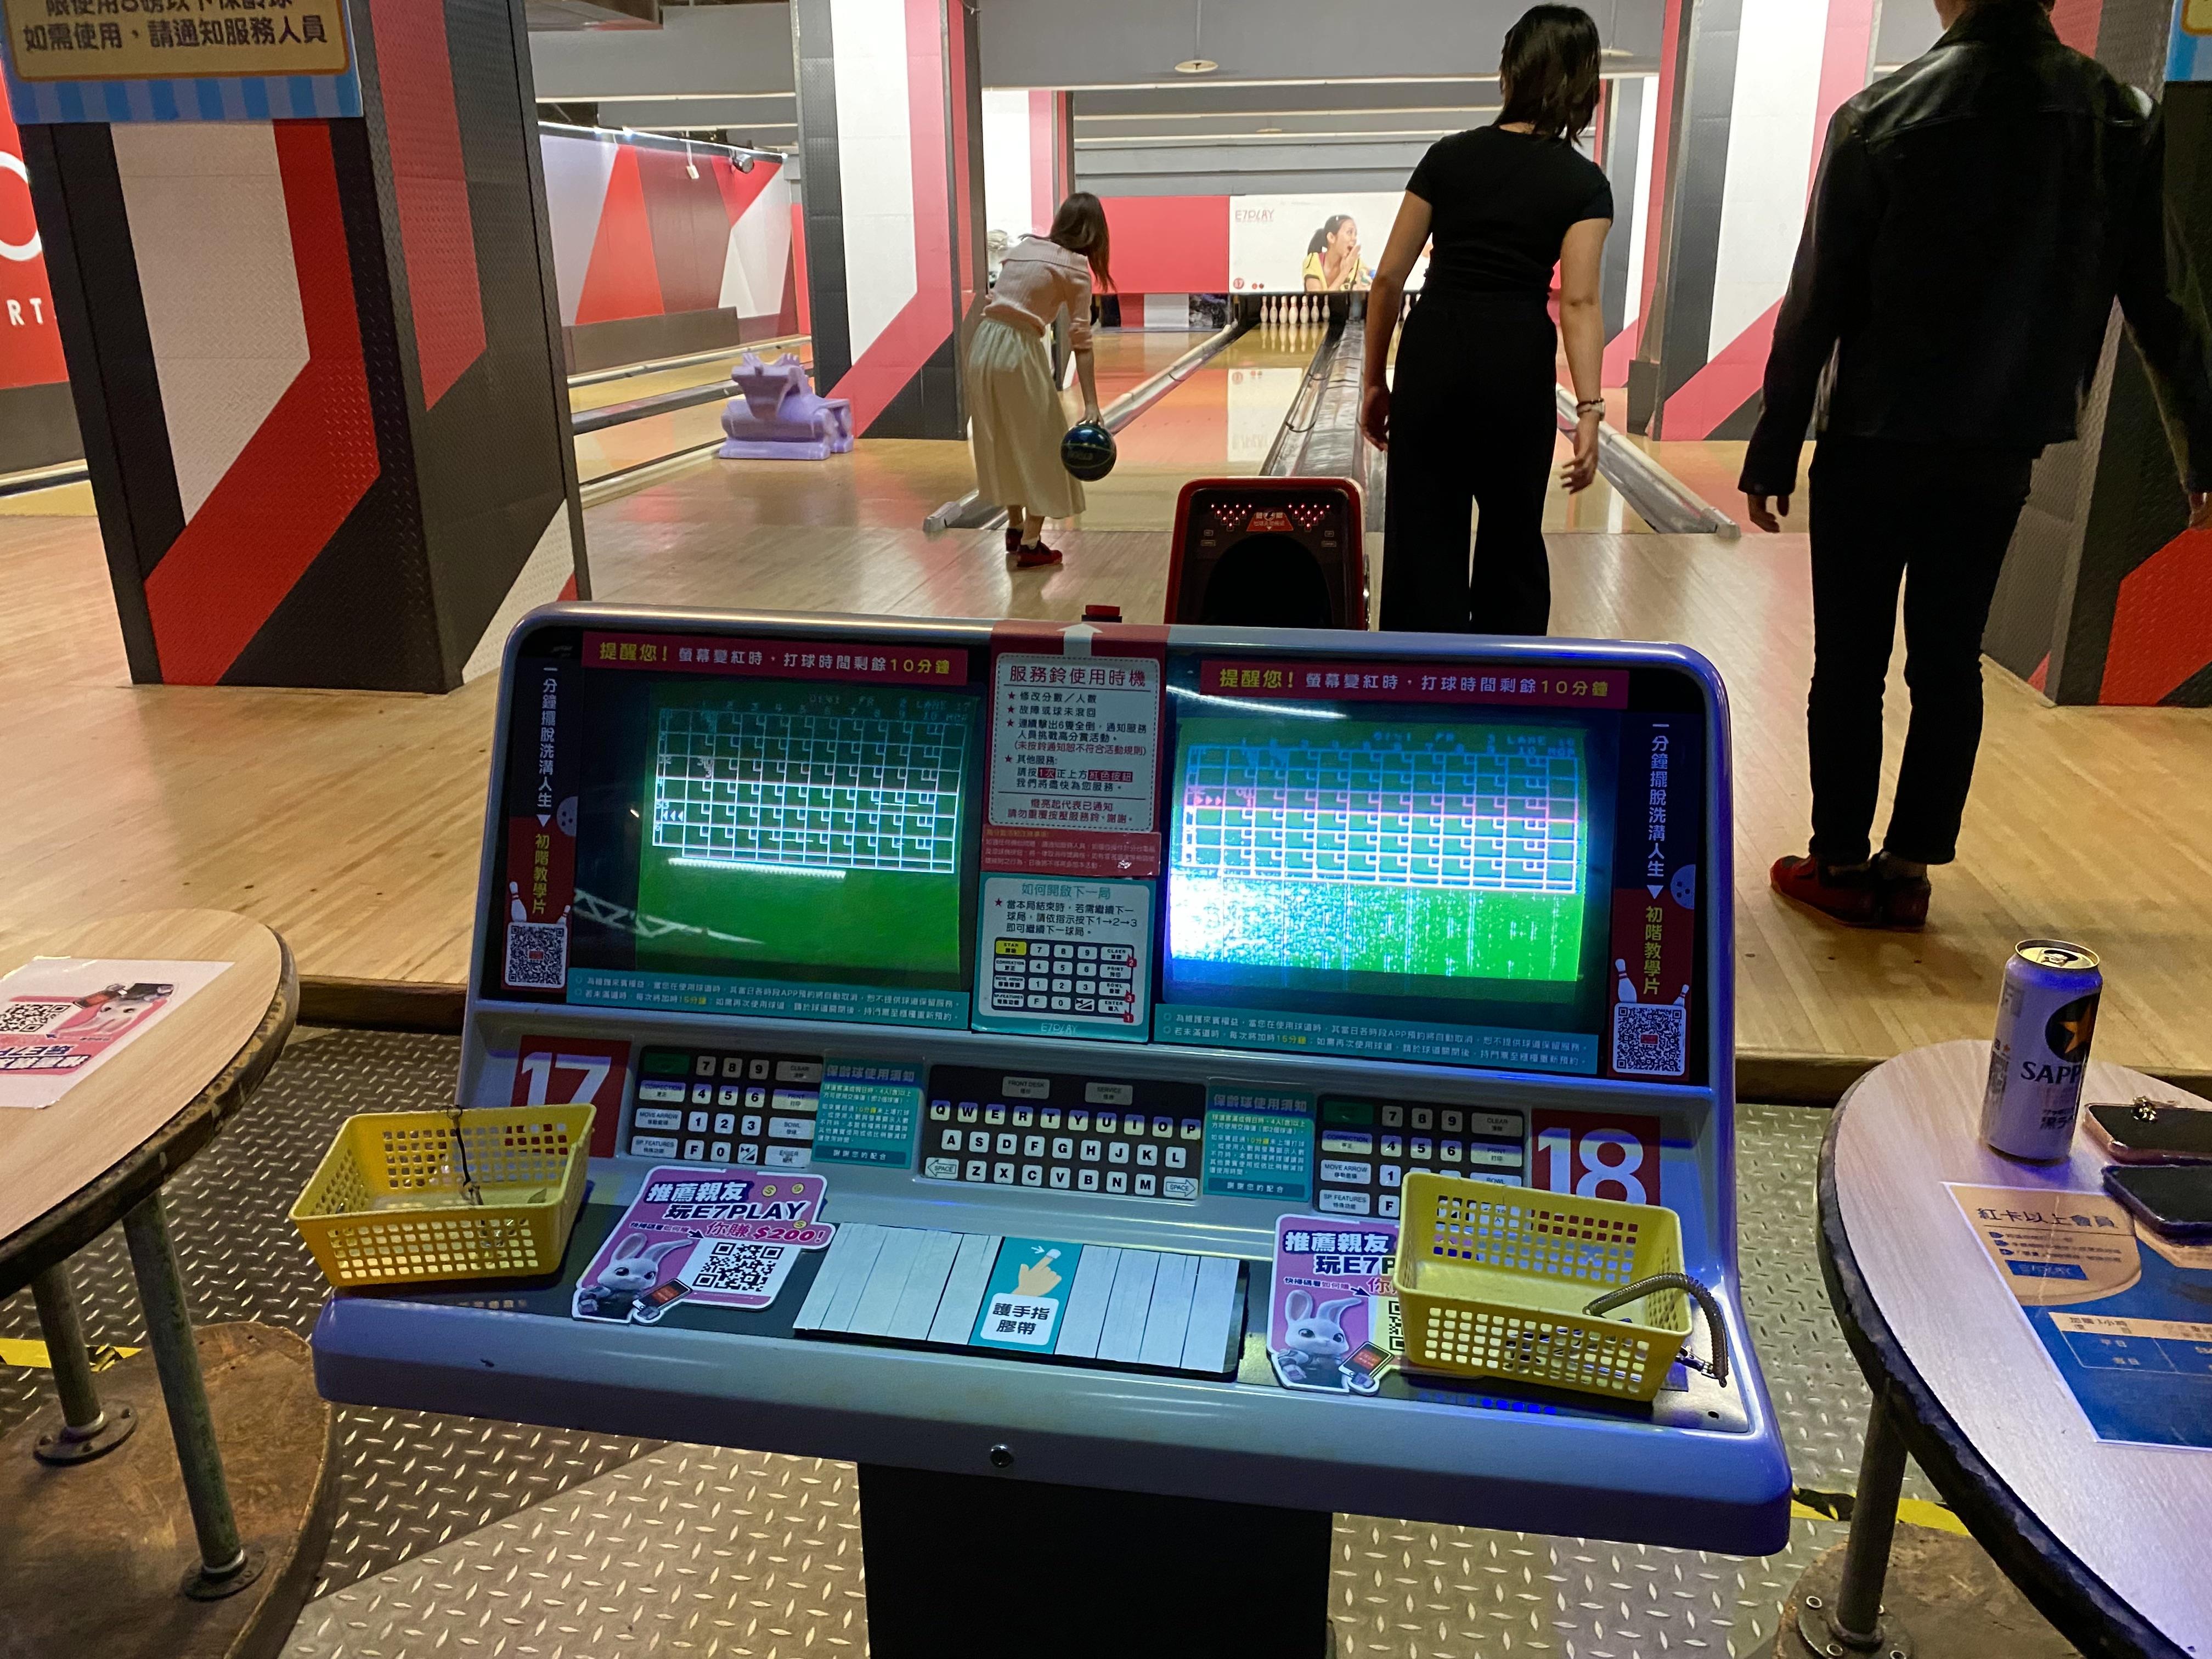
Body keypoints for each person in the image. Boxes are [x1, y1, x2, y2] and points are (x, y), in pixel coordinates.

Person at [1743, 0, 2212, 930]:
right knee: (1948, 658)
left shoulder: (1879, 116)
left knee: (1850, 659)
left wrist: (1774, 441)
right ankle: (1909, 866)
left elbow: (1817, 298)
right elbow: (2163, 298)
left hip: (1872, 435)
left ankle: (1837, 856)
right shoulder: (2118, 115)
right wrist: (2201, 447)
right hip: (2000, 438)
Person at [1362, 5, 1611, 635]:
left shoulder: (1448, 159)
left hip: (1436, 350)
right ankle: (1508, 688)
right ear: (1584, 84)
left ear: (1509, 73)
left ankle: (1420, 699)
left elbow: (1389, 277)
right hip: (1516, 358)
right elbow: (1579, 302)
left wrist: (1372, 380)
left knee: (1424, 538)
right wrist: (1589, 411)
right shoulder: (1584, 183)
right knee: (1512, 533)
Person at [969, 194, 1111, 568]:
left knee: (1003, 439)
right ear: (1095, 232)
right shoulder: (1076, 266)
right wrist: (1092, 404)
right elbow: (1081, 339)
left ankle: (1015, 527)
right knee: (1048, 448)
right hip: (1018, 350)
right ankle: (1031, 544)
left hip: (983, 343)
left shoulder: (1025, 247)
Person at [1302, 215, 1367, 292]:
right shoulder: (1314, 261)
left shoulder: (1357, 264)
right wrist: (1345, 271)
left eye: (1355, 234)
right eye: (1350, 232)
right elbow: (1320, 301)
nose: (1354, 238)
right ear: (1331, 238)